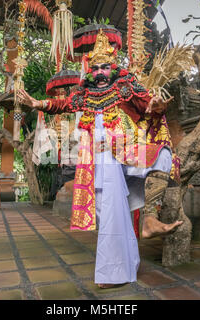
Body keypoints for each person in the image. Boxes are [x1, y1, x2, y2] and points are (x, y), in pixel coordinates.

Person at [17, 30, 183, 289]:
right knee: (110, 215)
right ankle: (123, 267)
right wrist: (37, 103)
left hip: (122, 153)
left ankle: (148, 218)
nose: (101, 72)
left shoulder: (125, 86)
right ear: (90, 70)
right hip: (94, 161)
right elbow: (64, 105)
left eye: (105, 66)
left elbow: (148, 104)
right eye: (96, 68)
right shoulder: (85, 94)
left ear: (113, 67)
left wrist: (158, 104)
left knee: (161, 155)